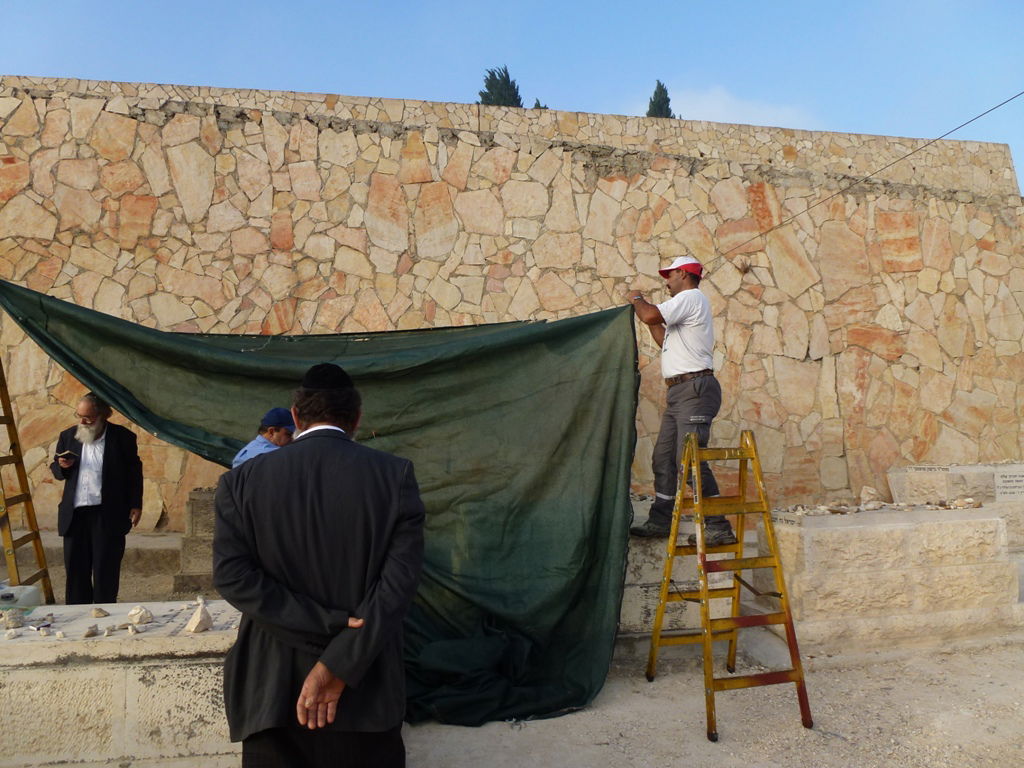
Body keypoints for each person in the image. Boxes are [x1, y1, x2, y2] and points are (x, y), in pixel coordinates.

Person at [213, 363, 425, 768]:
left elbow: (233, 577)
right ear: (357, 419)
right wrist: (339, 664)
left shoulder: (241, 482)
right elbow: (397, 588)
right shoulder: (393, 476)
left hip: (271, 694)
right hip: (366, 692)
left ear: (294, 417)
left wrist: (325, 624)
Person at [625, 255, 737, 545]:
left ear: (685, 275)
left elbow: (649, 315)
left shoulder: (691, 297)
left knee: (688, 459)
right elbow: (663, 338)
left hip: (694, 389)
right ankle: (660, 521)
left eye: (670, 275)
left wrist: (637, 298)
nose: (667, 281)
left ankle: (718, 526)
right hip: (680, 392)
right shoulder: (683, 306)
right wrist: (649, 311)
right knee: (663, 458)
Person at [50, 392, 143, 604]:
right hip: (75, 516)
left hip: (107, 514)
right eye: (79, 416)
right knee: (76, 572)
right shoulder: (68, 436)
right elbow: (56, 469)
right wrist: (61, 466)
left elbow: (134, 472)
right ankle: (77, 618)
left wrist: (136, 503)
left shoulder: (123, 438)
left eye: (88, 417)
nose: (82, 421)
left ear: (103, 416)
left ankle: (104, 617)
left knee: (105, 570)